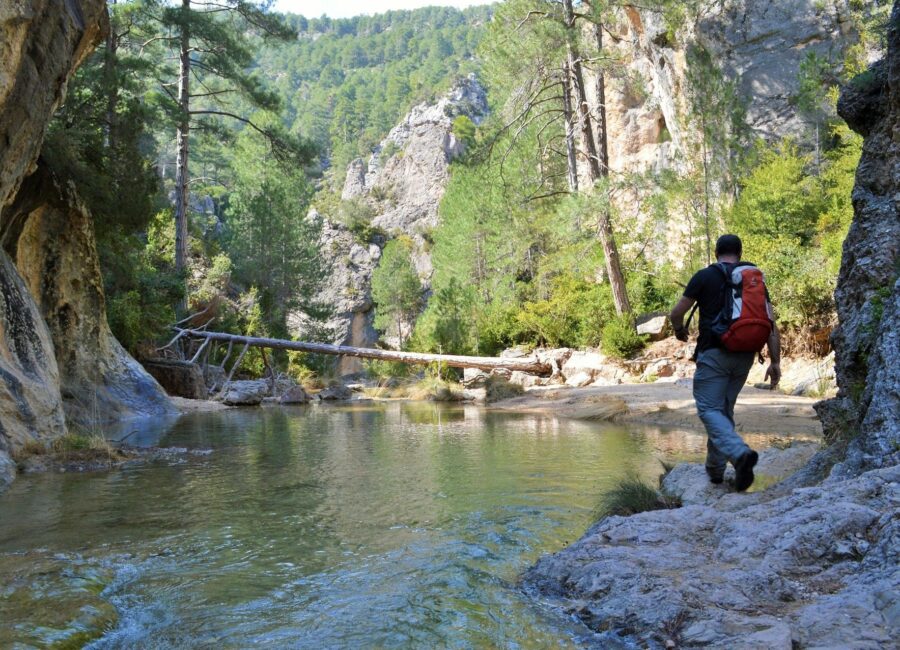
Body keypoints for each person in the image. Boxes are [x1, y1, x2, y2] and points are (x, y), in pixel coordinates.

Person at [669, 234, 781, 491]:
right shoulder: (753, 280)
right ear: (739, 254)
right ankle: (716, 472)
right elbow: (772, 326)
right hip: (745, 356)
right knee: (723, 412)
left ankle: (740, 454)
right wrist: (775, 362)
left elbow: (677, 313)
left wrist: (678, 329)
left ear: (716, 252)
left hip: (714, 354)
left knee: (709, 410)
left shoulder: (704, 276)